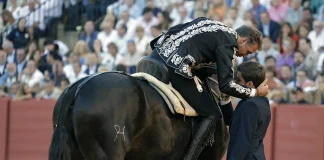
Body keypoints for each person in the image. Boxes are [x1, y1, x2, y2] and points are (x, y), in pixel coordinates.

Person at [147, 17, 269, 119]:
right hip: (175, 67)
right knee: (212, 114)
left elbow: (177, 28)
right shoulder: (229, 46)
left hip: (156, 54)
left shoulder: (214, 24)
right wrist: (255, 92)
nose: (244, 55)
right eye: (247, 52)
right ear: (243, 40)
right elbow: (226, 85)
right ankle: (194, 149)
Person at [220, 61, 271, 160]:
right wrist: (225, 100)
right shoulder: (261, 101)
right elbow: (234, 122)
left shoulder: (250, 104)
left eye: (239, 80)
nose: (235, 84)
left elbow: (243, 140)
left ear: (249, 84)